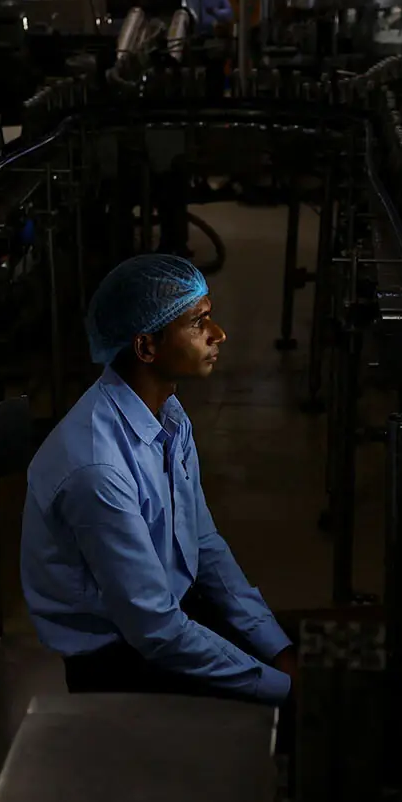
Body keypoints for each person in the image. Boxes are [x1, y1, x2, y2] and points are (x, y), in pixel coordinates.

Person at [21, 255, 296, 707]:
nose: (218, 334)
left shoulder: (166, 415)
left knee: (299, 653)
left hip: (165, 613)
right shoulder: (98, 470)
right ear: (146, 347)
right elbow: (155, 631)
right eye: (199, 322)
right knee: (301, 721)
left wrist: (278, 649)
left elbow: (203, 542)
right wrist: (283, 689)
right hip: (115, 656)